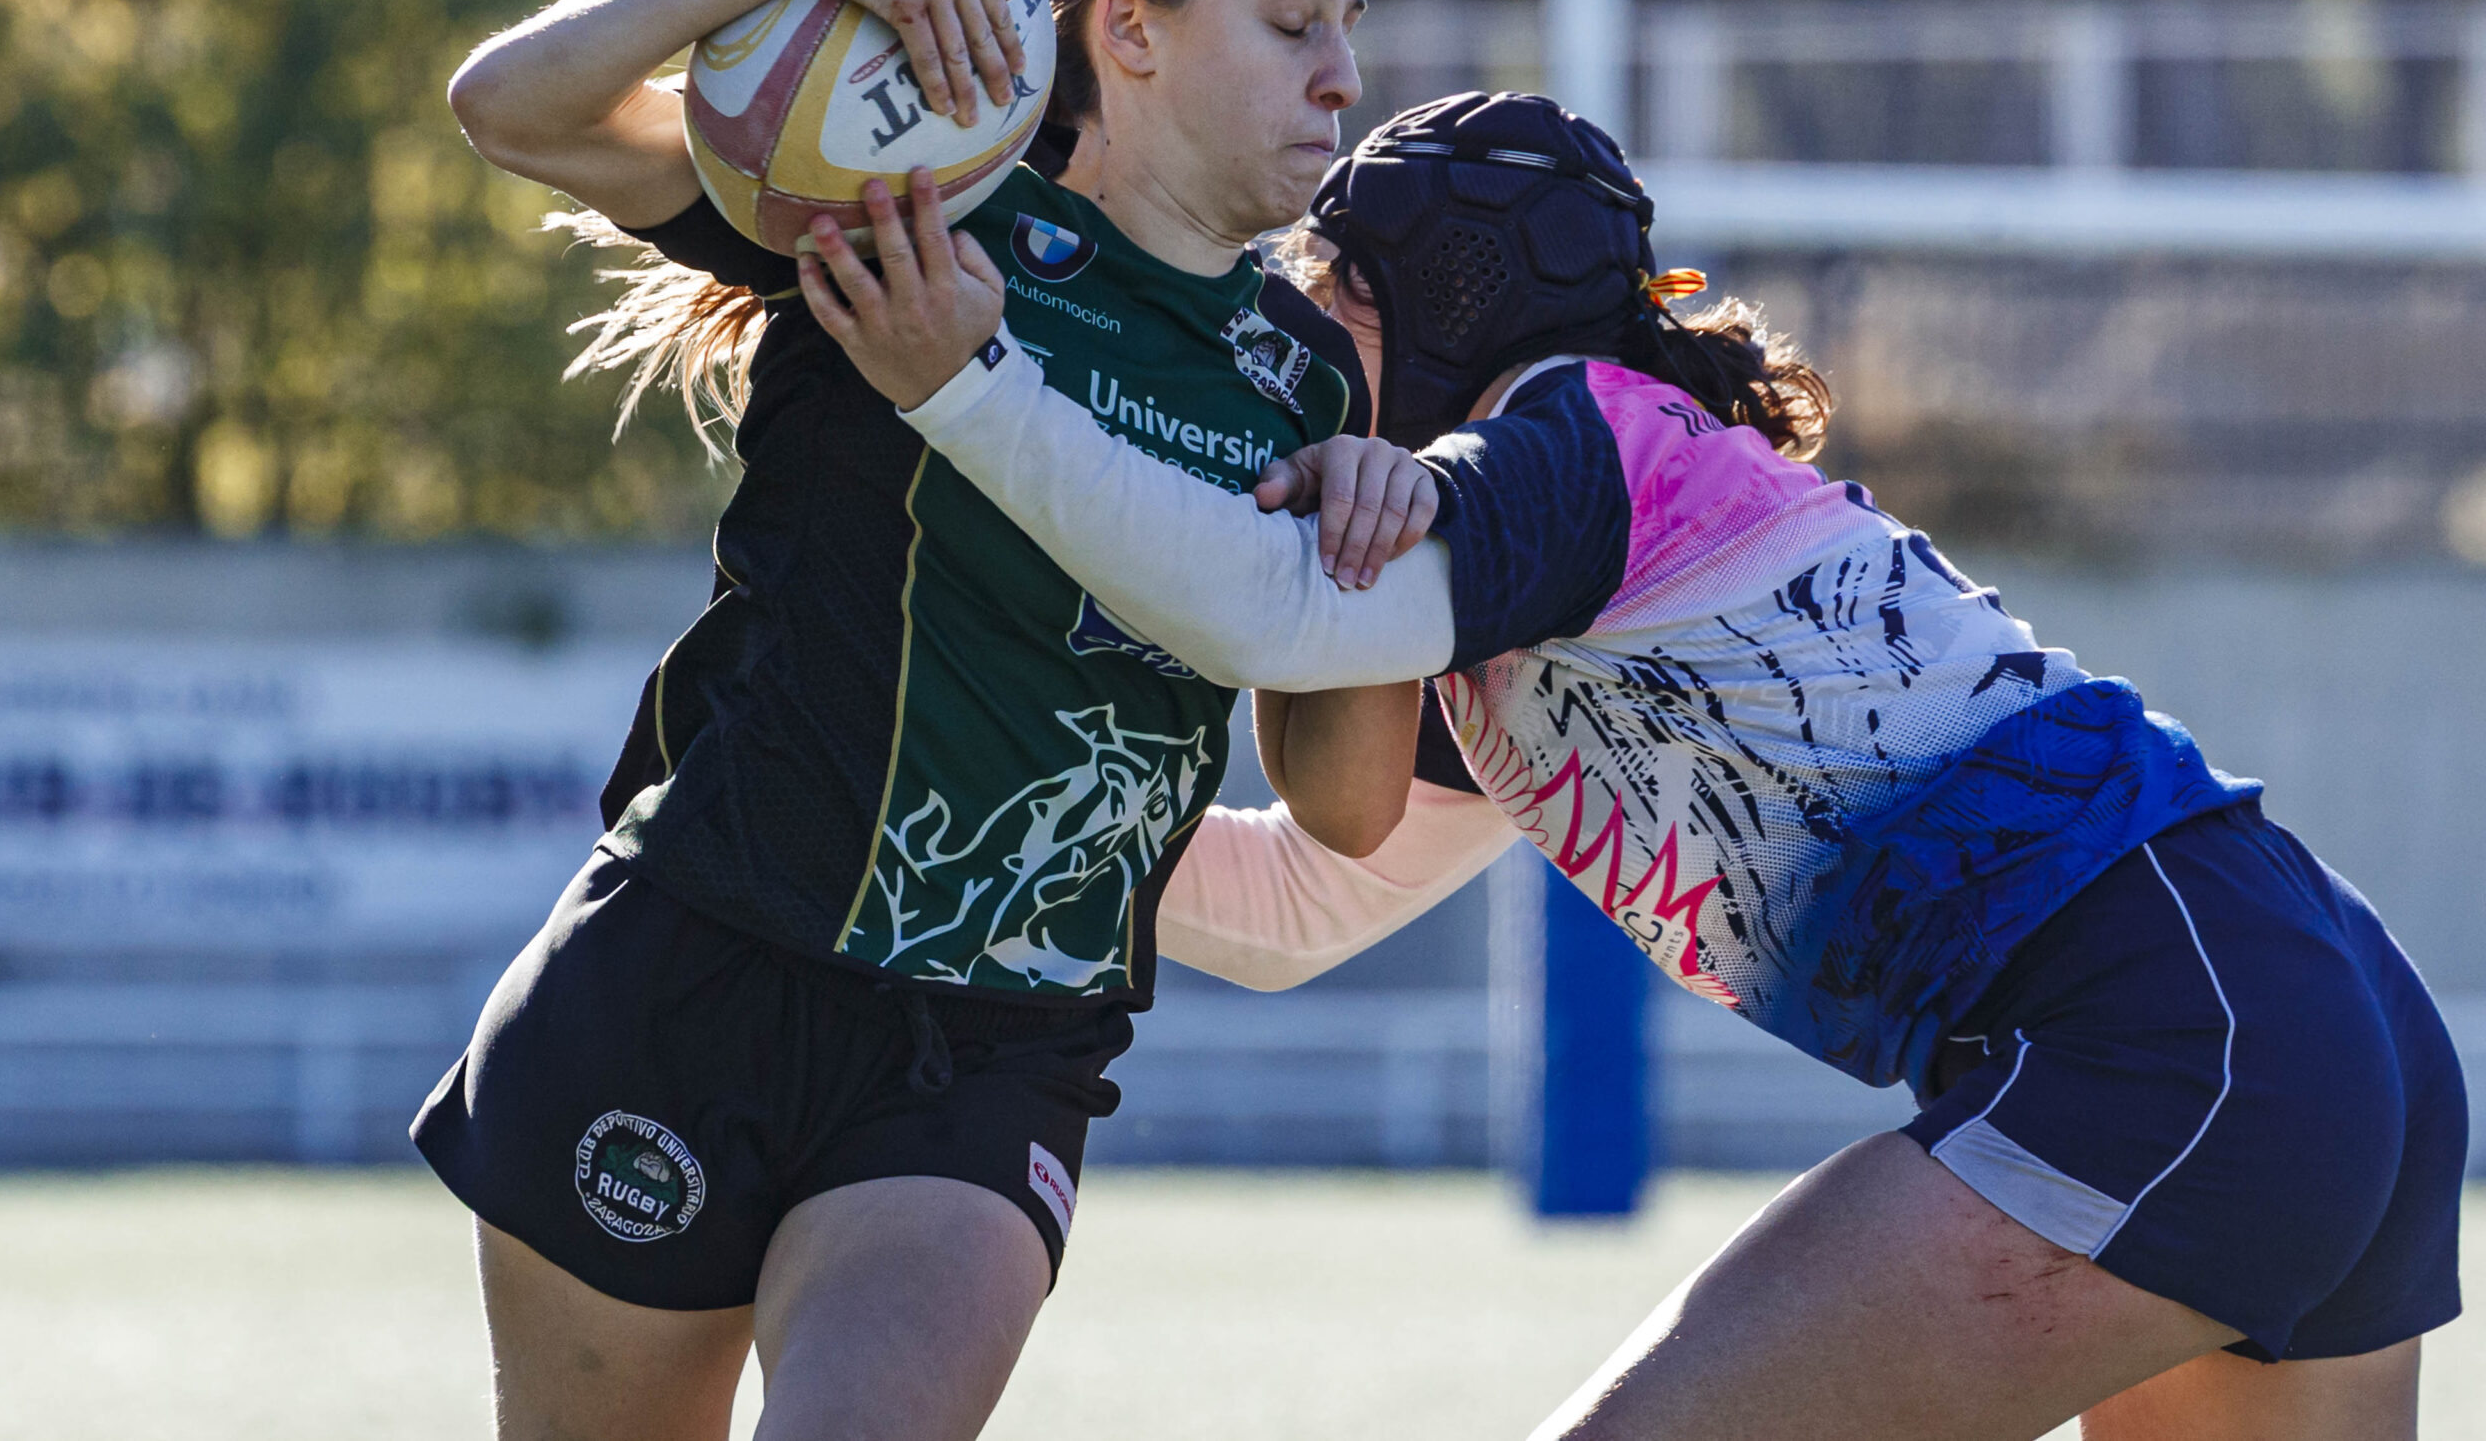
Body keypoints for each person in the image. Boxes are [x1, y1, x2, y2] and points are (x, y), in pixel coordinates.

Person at [804, 91, 2466, 1441]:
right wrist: (961, 807)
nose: (1289, 327)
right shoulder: (1536, 573)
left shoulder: (1562, 433)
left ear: (1420, 306)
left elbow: (1267, 602)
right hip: (2304, 1018)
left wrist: (968, 385)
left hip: (2179, 1040)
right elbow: (1311, 891)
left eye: (1327, 288)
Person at [417, 0, 1384, 1441]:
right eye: (1297, 21)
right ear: (1126, 31)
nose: (1344, 75)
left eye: (1354, 26)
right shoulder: (890, 204)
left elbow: (1347, 813)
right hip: (684, 975)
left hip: (988, 1048)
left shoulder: (1313, 377)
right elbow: (508, 105)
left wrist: (1386, 545)